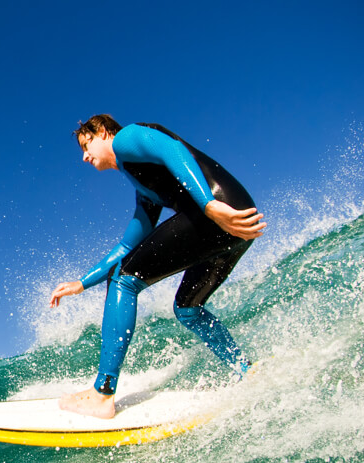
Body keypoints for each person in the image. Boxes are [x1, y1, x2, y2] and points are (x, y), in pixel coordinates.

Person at [50, 114, 266, 419]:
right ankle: (246, 371)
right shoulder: (144, 189)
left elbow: (172, 149)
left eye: (86, 146)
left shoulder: (126, 139)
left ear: (102, 132)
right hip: (236, 218)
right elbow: (127, 246)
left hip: (219, 211)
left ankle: (102, 394)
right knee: (188, 309)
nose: (85, 157)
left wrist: (208, 205)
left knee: (124, 280)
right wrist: (82, 283)